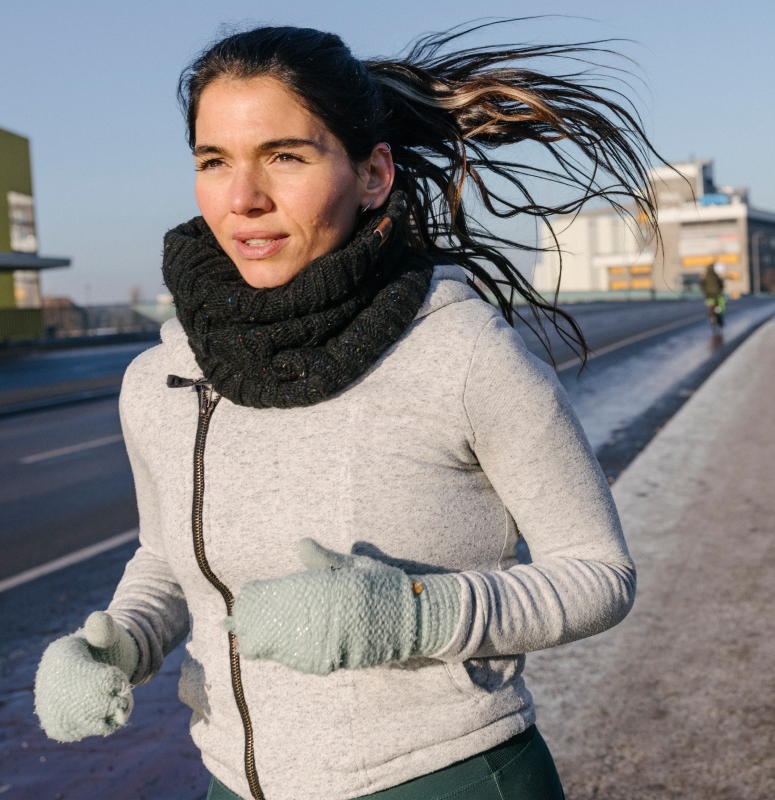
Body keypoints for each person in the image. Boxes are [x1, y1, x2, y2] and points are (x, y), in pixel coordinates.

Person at [32, 23, 663, 800]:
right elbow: (167, 561)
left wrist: (413, 616)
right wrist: (119, 643)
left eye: (285, 155)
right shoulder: (159, 378)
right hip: (232, 783)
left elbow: (599, 574)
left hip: (441, 779)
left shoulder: (461, 352)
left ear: (372, 174)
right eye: (214, 161)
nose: (244, 198)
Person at [701, 261, 726, 331]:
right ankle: (720, 322)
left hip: (708, 295)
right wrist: (721, 288)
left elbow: (702, 285)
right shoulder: (715, 275)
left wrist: (705, 292)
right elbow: (721, 284)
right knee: (721, 307)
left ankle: (710, 314)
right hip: (717, 294)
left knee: (709, 305)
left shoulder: (705, 276)